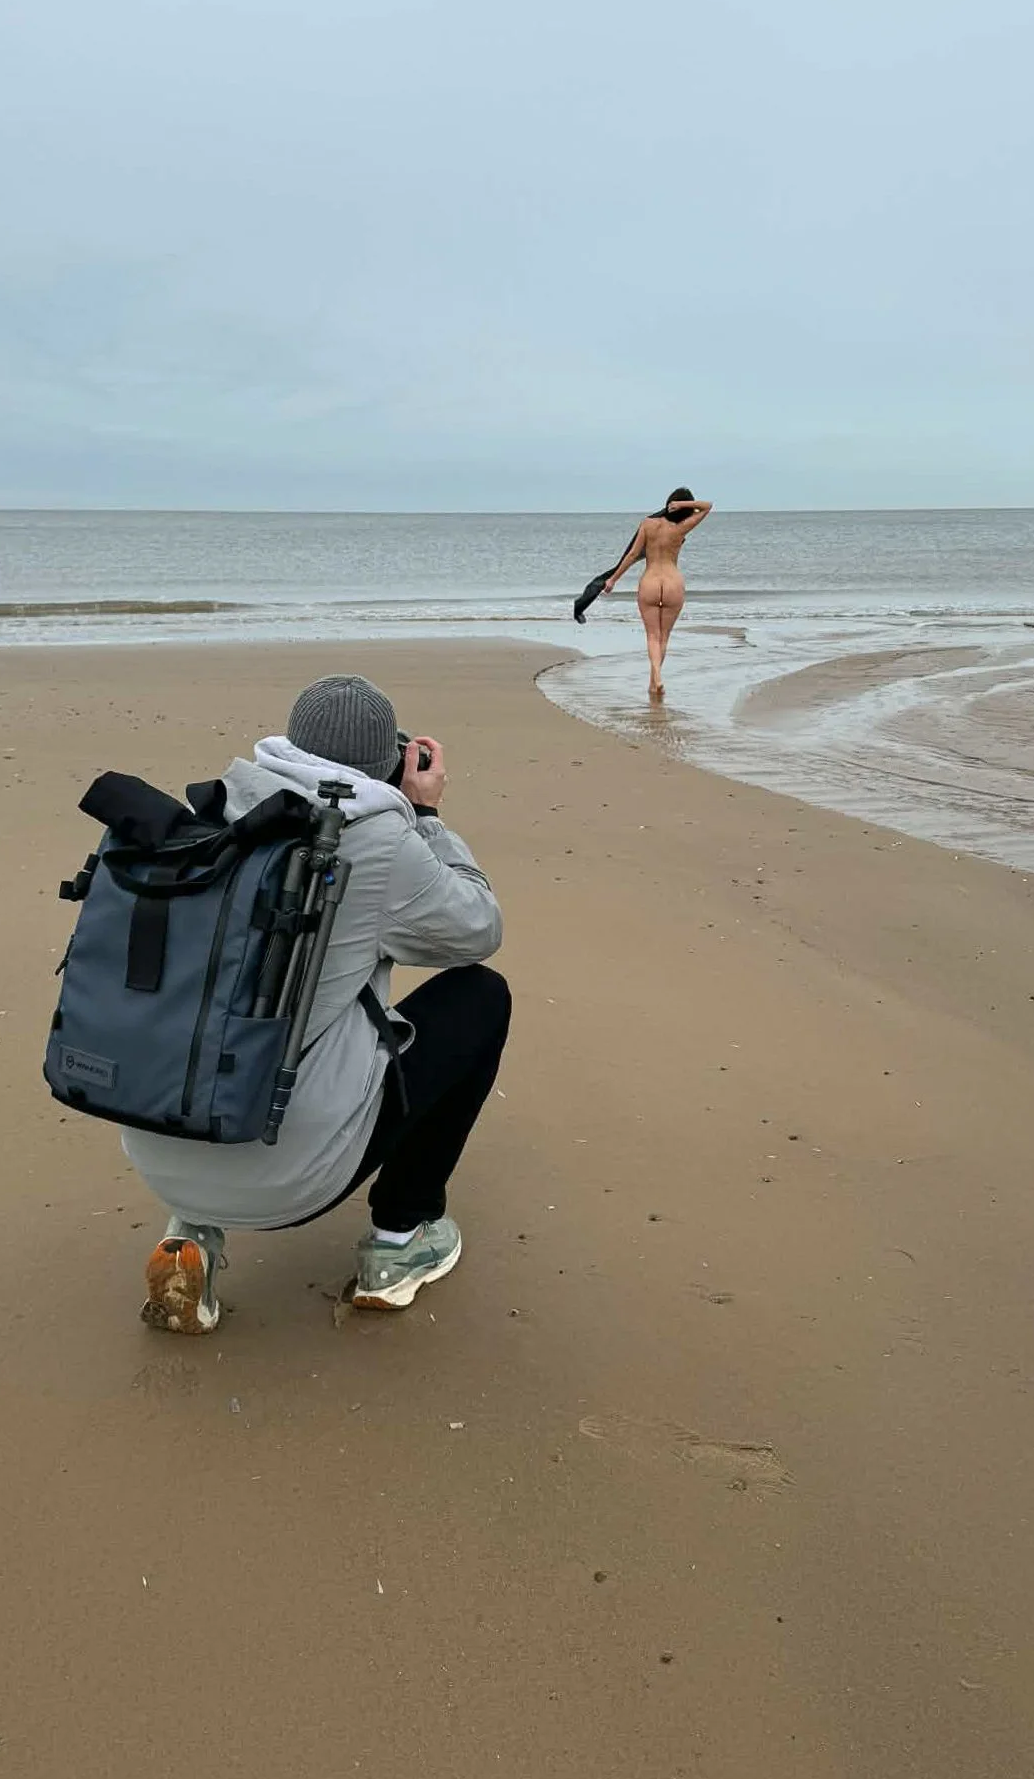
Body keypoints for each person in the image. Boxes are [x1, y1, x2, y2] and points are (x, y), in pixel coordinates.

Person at [125, 674, 509, 1334]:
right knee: (480, 997)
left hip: (159, 1141)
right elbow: (478, 929)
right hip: (290, 1175)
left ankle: (192, 1235)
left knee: (227, 1008)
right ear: (391, 764)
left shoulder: (211, 814)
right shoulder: (377, 843)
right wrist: (429, 817)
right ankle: (399, 1241)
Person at [604, 487, 713, 697]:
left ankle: (655, 679)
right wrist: (684, 506)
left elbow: (633, 554)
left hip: (650, 582)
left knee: (653, 636)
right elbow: (707, 507)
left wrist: (613, 579)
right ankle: (656, 679)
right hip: (673, 583)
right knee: (664, 637)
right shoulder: (681, 528)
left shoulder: (647, 524)